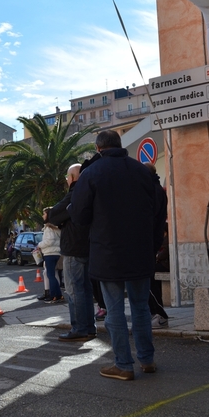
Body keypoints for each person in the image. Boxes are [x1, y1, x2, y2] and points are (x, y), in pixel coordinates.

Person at [70, 130, 161, 381]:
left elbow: (79, 216)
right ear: (120, 146)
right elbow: (155, 210)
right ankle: (147, 359)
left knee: (115, 311)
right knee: (141, 308)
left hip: (108, 252)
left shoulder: (91, 174)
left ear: (99, 149)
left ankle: (123, 364)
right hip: (140, 251)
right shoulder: (142, 171)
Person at [47, 163, 96, 341]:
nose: (67, 180)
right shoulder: (90, 193)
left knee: (74, 290)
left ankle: (79, 328)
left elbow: (53, 214)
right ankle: (89, 327)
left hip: (73, 247)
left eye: (68, 177)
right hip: (88, 247)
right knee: (85, 289)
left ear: (73, 178)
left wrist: (58, 219)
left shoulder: (74, 194)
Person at [144, 163, 169, 329]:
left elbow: (149, 216)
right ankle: (154, 313)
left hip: (148, 239)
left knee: (147, 279)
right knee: (146, 278)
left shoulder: (152, 191)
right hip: (152, 238)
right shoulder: (157, 189)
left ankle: (159, 314)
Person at [38, 217, 63, 303]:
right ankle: (59, 294)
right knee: (53, 274)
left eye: (44, 213)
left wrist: (39, 245)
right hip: (56, 253)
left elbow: (49, 241)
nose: (42, 216)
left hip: (50, 253)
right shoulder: (56, 228)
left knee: (50, 275)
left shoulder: (48, 228)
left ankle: (53, 295)